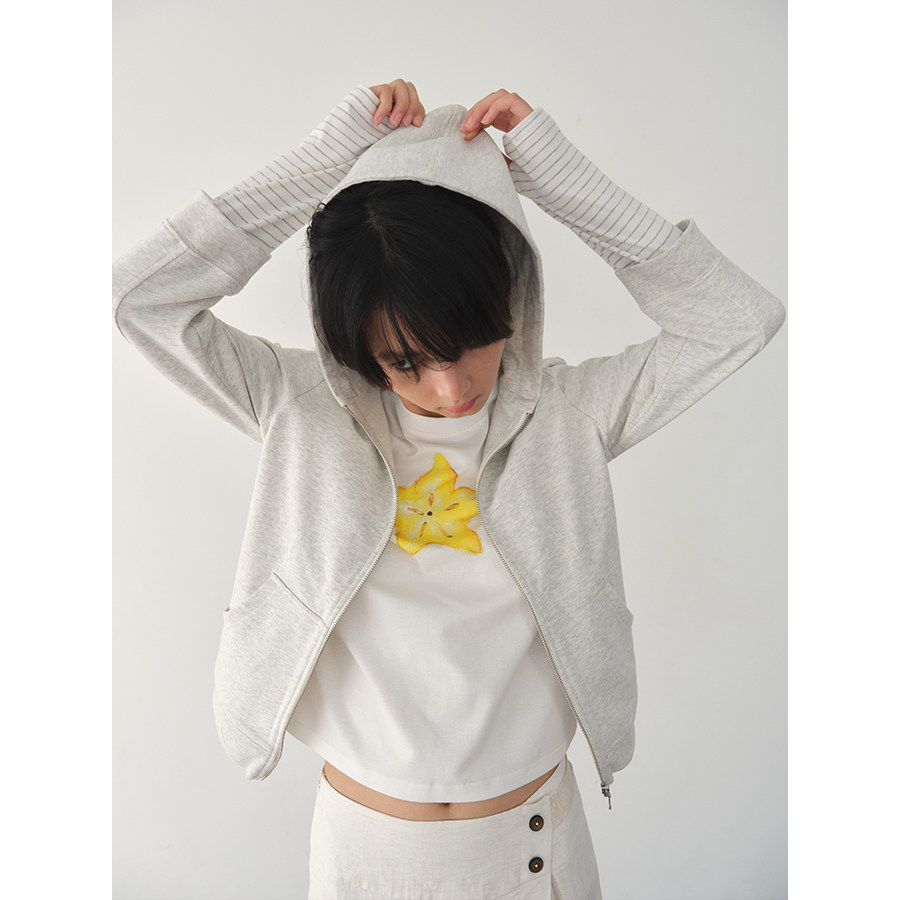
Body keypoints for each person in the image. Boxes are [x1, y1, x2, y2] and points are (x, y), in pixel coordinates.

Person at [113, 78, 784, 899]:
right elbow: (140, 301)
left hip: (536, 852)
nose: (451, 386)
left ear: (510, 298)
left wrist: (560, 178)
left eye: (470, 340)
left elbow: (737, 319)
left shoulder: (569, 416)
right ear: (353, 347)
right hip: (363, 859)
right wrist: (324, 165)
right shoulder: (299, 407)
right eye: (405, 362)